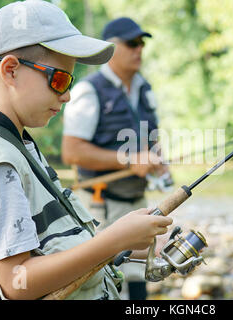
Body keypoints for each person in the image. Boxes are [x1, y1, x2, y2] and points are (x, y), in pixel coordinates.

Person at [0, 1, 172, 300]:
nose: (66, 96)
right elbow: (17, 282)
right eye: (59, 79)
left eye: (70, 81)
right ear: (10, 70)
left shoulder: (17, 143)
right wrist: (114, 241)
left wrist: (124, 238)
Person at [61, 17, 168, 300]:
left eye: (142, 44)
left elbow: (151, 140)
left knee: (137, 279)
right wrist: (130, 161)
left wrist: (158, 164)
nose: (139, 50)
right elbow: (72, 151)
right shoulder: (87, 91)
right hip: (100, 206)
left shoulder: (144, 88)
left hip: (137, 201)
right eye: (132, 44)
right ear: (111, 47)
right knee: (108, 281)